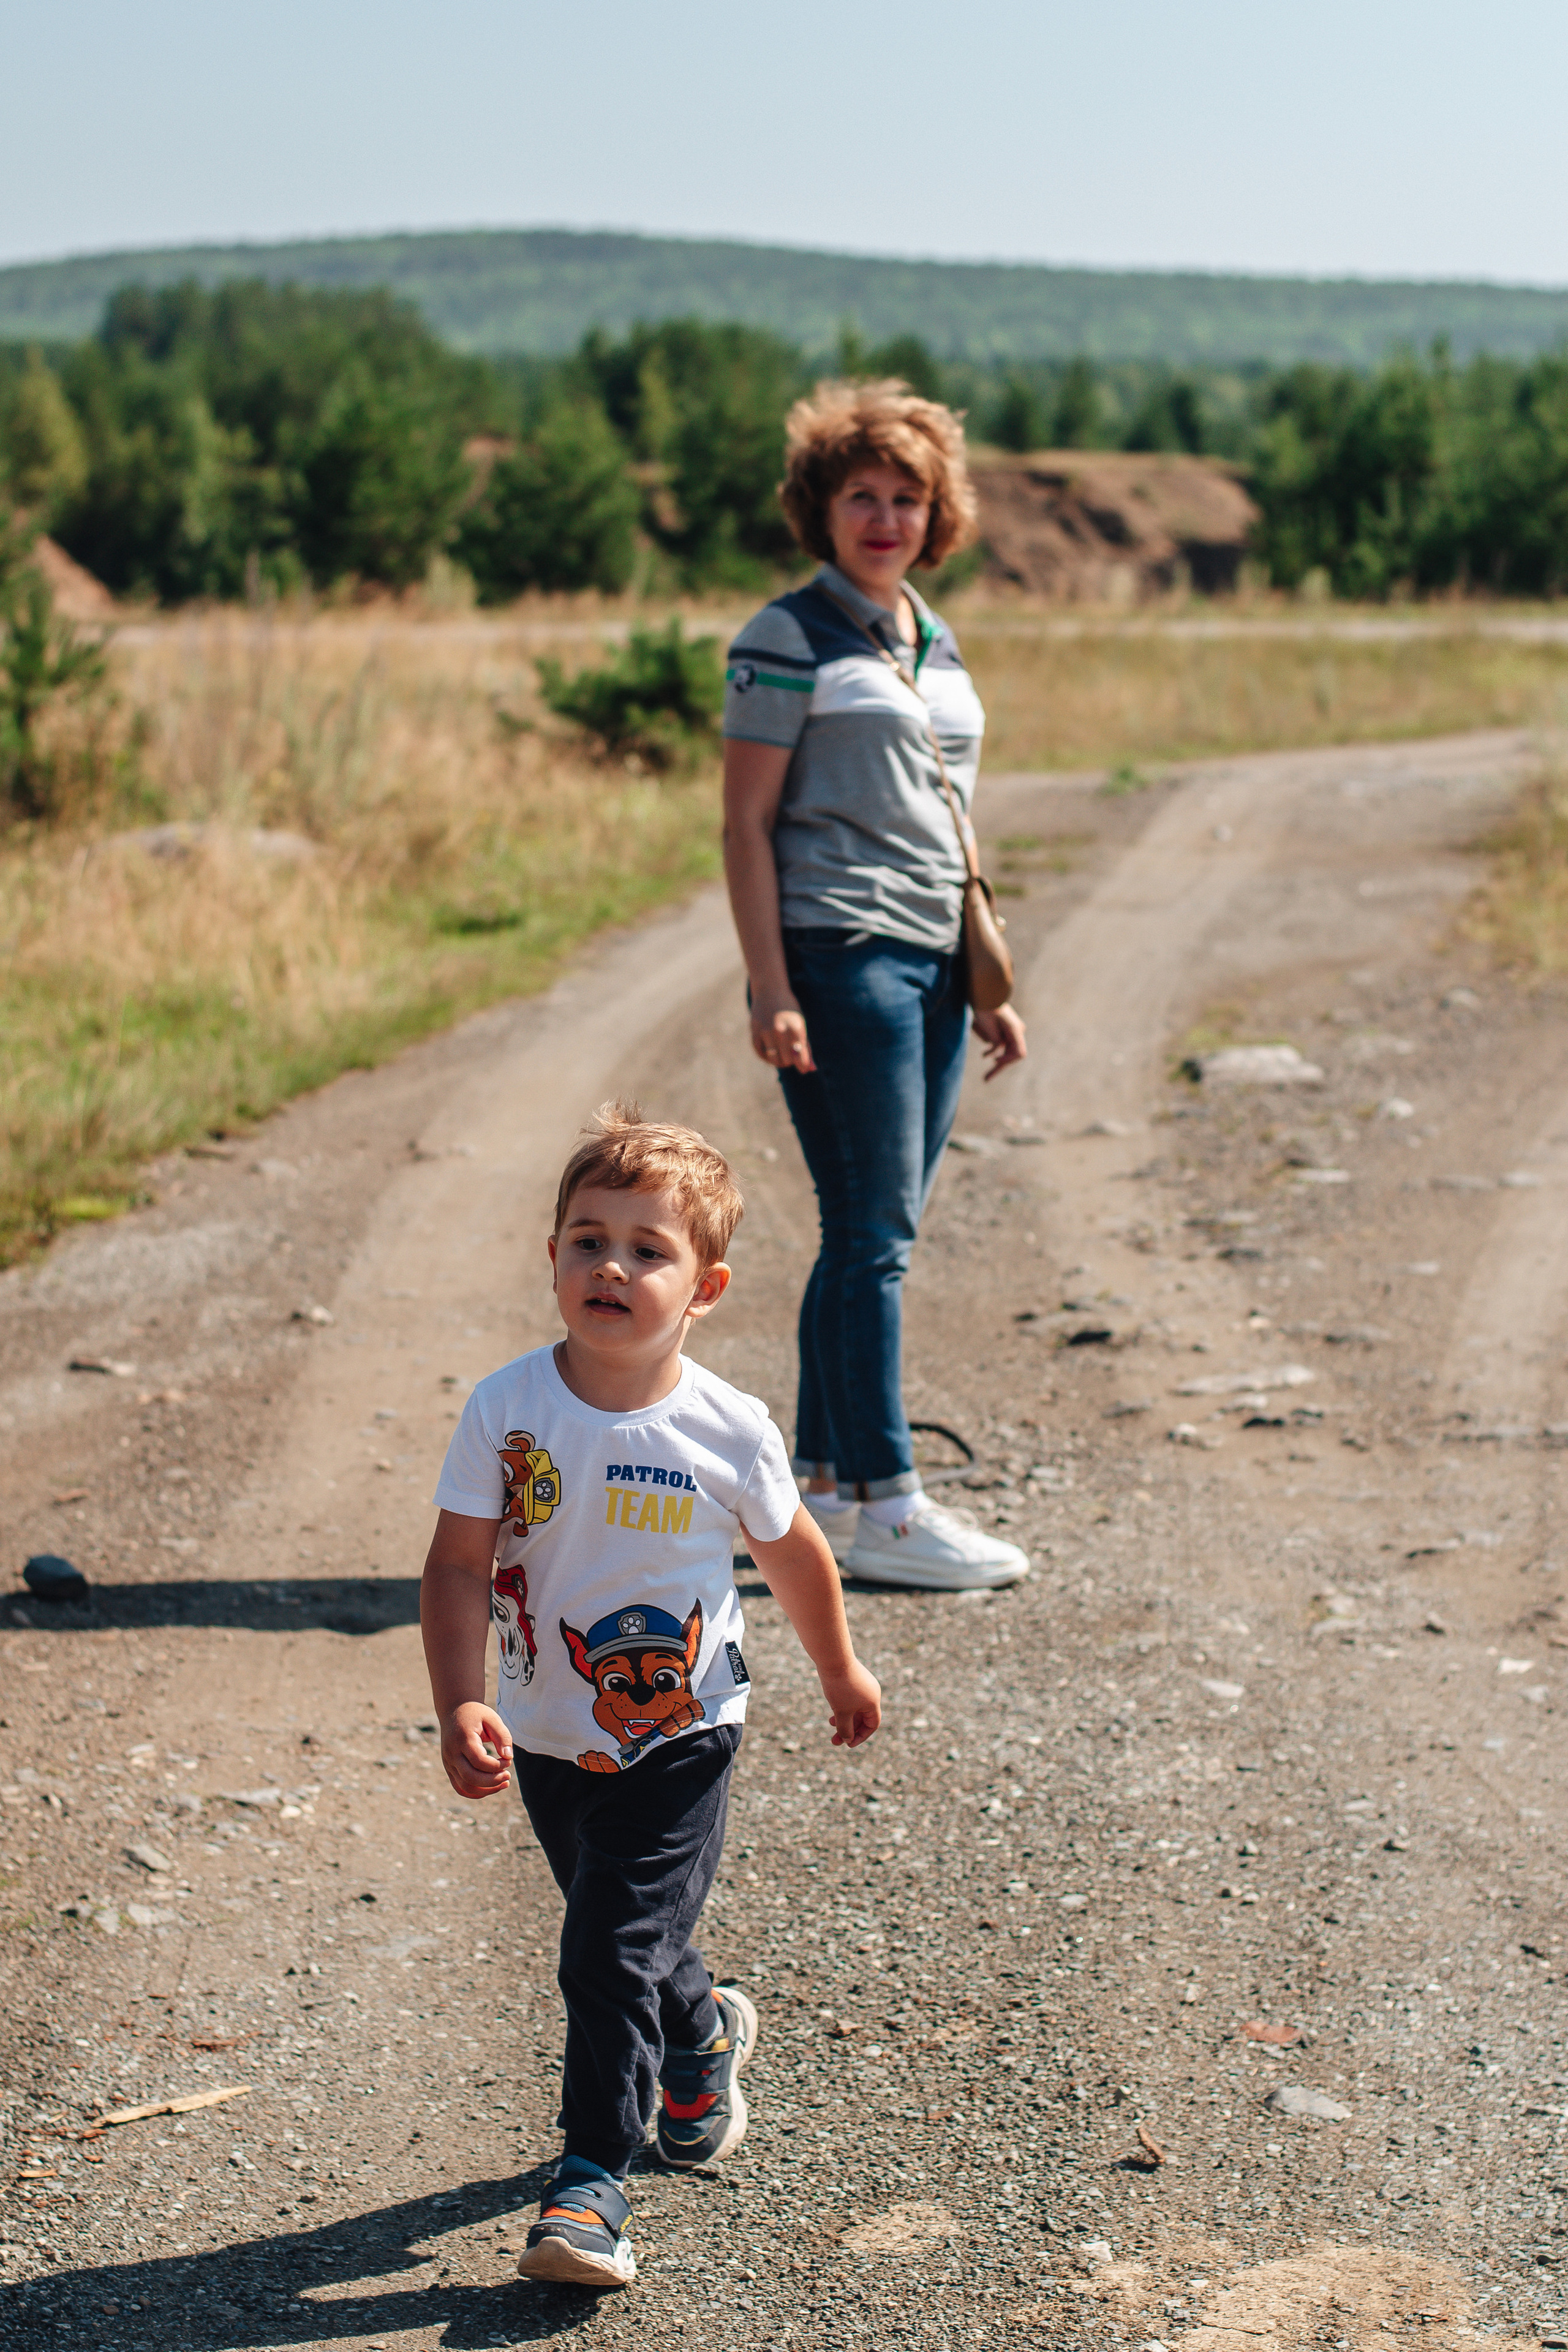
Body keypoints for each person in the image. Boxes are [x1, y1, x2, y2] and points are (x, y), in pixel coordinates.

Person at [420, 1102, 881, 2290]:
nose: (610, 1266)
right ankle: (702, 2031)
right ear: (552, 1259)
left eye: (646, 1248)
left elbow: (794, 1560)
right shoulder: (506, 1409)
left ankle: (589, 2186)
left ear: (705, 1286)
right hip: (546, 1732)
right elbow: (459, 1563)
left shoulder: (726, 1430)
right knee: (626, 1936)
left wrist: (838, 1669)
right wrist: (459, 1698)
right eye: (586, 1240)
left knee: (601, 1949)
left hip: (682, 1738)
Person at [722, 377, 1030, 1593]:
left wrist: (983, 975)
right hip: (839, 953)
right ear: (822, 507)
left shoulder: (927, 635)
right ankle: (891, 1507)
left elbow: (946, 815)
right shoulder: (785, 638)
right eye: (863, 495)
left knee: (862, 1235)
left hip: (934, 961)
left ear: (935, 512)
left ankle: (816, 1488)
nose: (886, 517)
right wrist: (768, 984)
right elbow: (744, 826)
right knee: (873, 1239)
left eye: (908, 497)